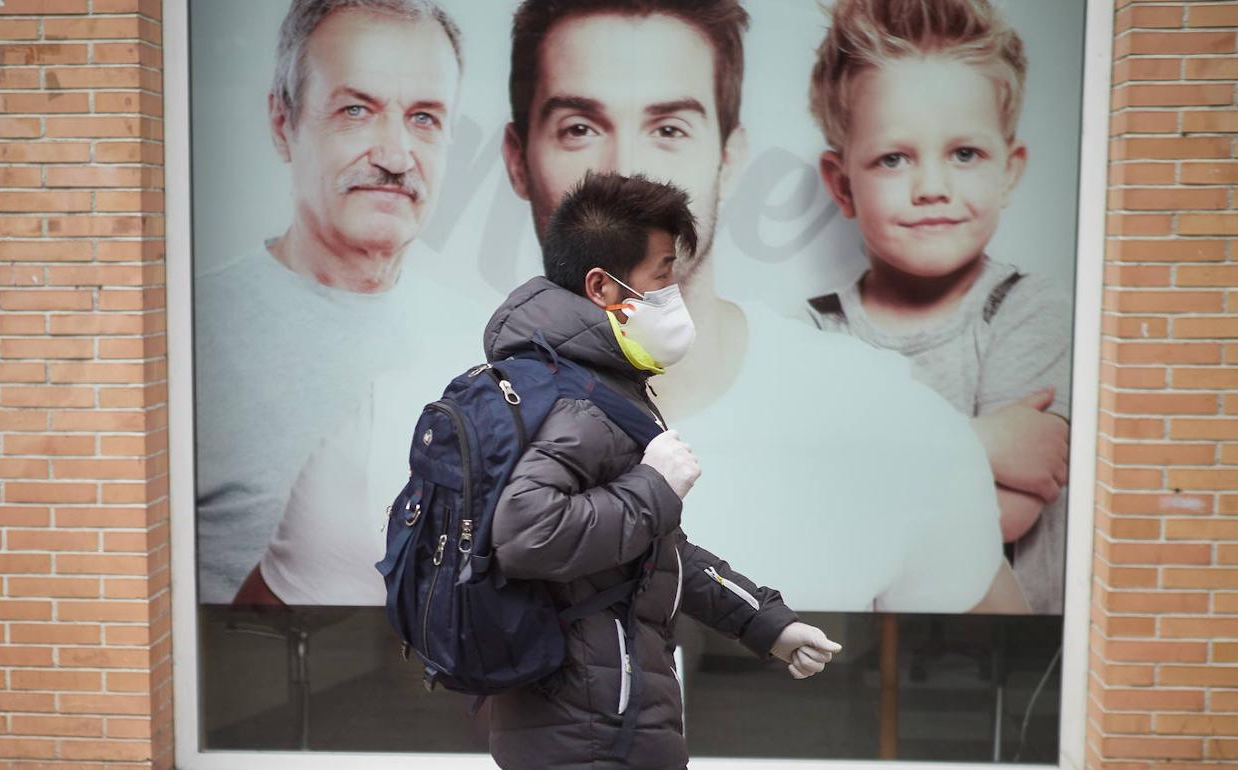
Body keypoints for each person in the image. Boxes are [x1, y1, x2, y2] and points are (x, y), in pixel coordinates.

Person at [253, 0, 1015, 614]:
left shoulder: (898, 430)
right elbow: (276, 689)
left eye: (669, 127)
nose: (623, 172)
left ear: (730, 155)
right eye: (580, 127)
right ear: (519, 160)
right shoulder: (398, 432)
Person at [485, 171, 841, 769]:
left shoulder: (588, 382)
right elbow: (527, 534)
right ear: (602, 287)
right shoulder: (577, 399)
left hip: (596, 716)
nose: (674, 290)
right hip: (593, 730)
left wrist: (767, 624)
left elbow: (654, 553)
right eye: (662, 274)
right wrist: (654, 486)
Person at [806, 0, 1072, 613]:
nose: (931, 187)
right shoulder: (815, 330)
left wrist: (862, 464)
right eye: (894, 158)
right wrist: (979, 443)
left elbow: (1008, 512)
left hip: (1009, 661)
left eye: (964, 154)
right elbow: (814, 510)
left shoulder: (1024, 308)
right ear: (843, 184)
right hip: (852, 660)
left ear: (1010, 170)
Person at [195, 0, 465, 603]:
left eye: (424, 118)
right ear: (281, 123)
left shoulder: (479, 339)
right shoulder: (188, 339)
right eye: (355, 110)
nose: (396, 157)